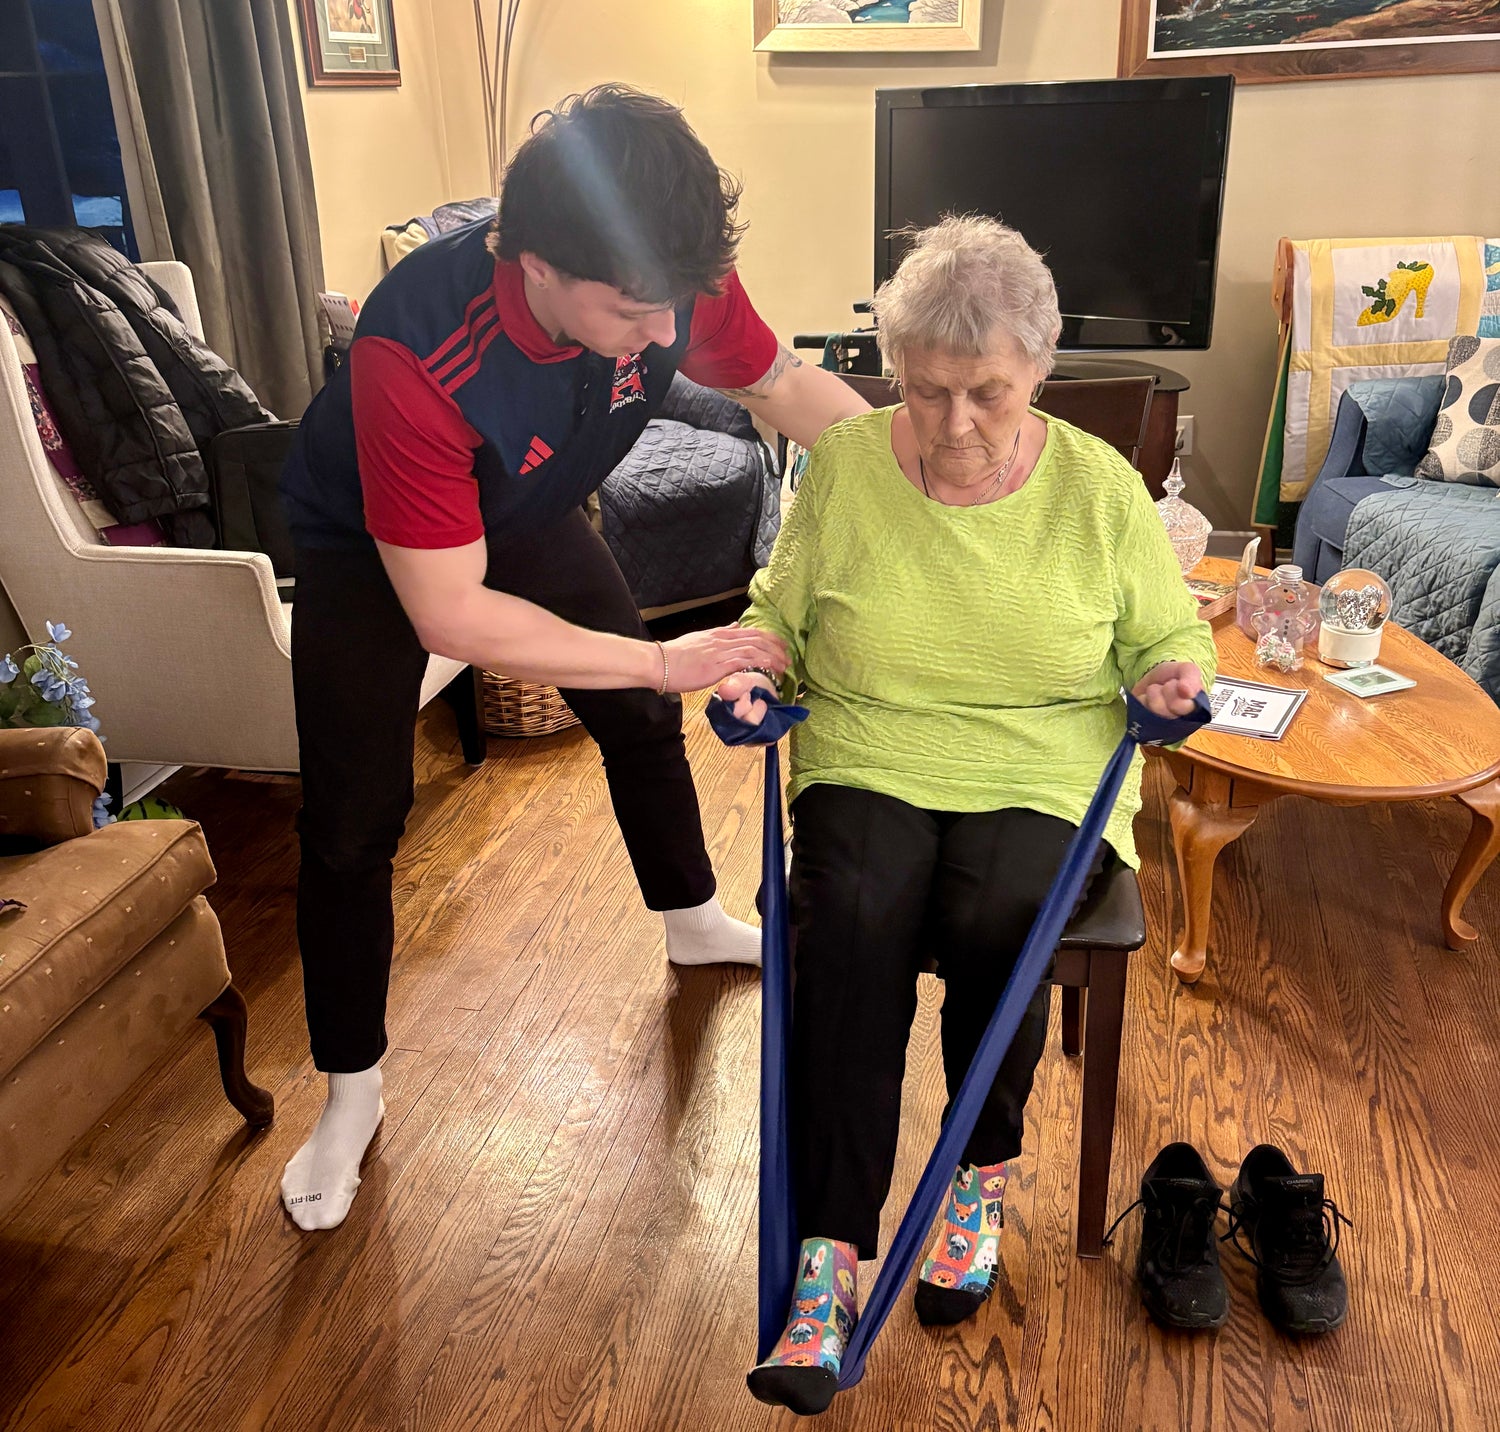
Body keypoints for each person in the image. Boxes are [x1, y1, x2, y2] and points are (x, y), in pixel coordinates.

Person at [276, 85, 868, 1232]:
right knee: (354, 819)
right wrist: (658, 657)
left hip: (530, 500)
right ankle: (351, 1089)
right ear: (529, 261)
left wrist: (920, 477)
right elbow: (450, 611)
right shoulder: (418, 354)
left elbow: (779, 385)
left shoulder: (673, 270)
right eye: (632, 311)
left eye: (675, 306)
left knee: (636, 720)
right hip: (374, 537)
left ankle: (691, 917)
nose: (664, 337)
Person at [717, 215, 1217, 1416]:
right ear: (896, 370)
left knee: (1002, 909)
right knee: (850, 916)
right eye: (927, 389)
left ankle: (974, 1178)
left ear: (1040, 368)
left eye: (988, 391)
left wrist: (1171, 682)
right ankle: (829, 1249)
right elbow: (776, 611)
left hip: (1043, 760)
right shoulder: (840, 468)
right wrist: (753, 667)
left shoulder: (1099, 488)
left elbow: (1169, 632)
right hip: (870, 742)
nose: (955, 423)